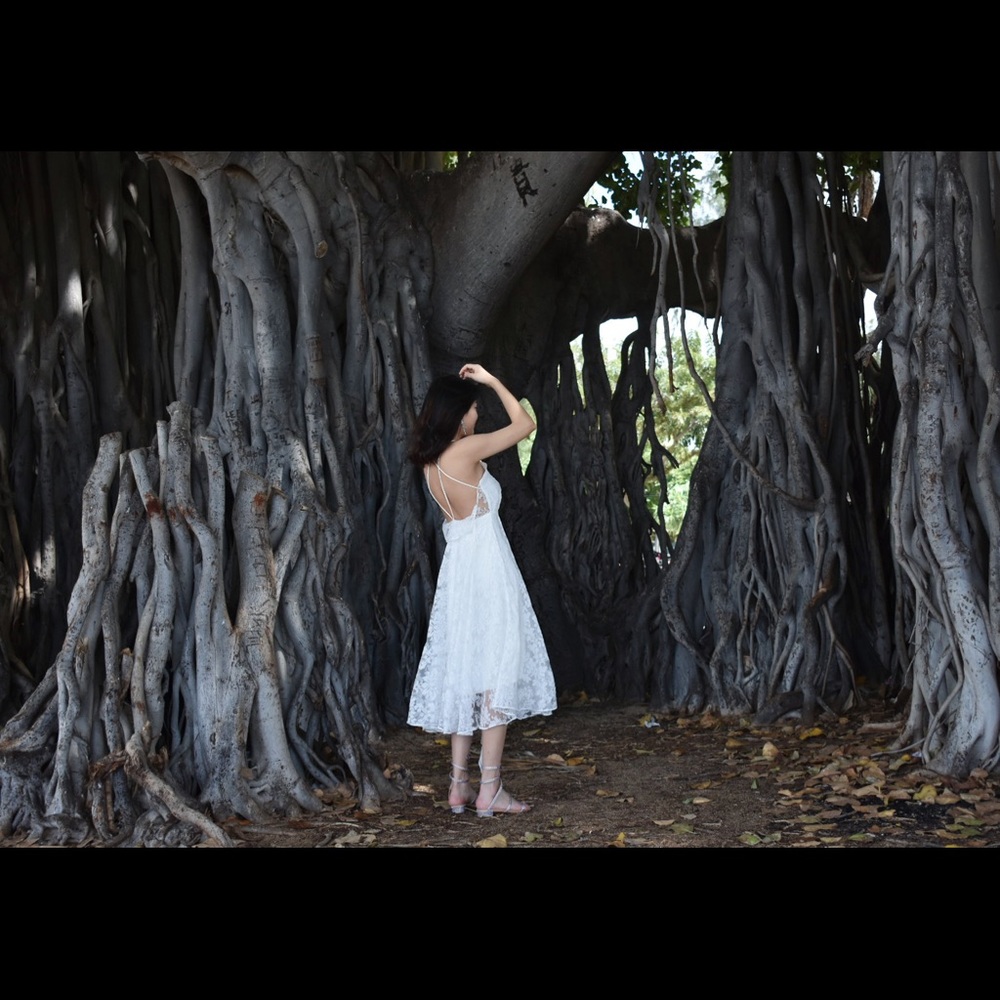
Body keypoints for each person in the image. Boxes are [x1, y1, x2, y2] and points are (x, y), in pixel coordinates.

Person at [407, 363, 556, 816]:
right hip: (489, 572)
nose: (476, 413)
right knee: (495, 673)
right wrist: (492, 379)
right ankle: (490, 789)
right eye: (472, 406)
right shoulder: (466, 448)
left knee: (466, 673)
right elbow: (526, 424)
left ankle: (458, 786)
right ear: (458, 413)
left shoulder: (432, 465)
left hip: (459, 574)